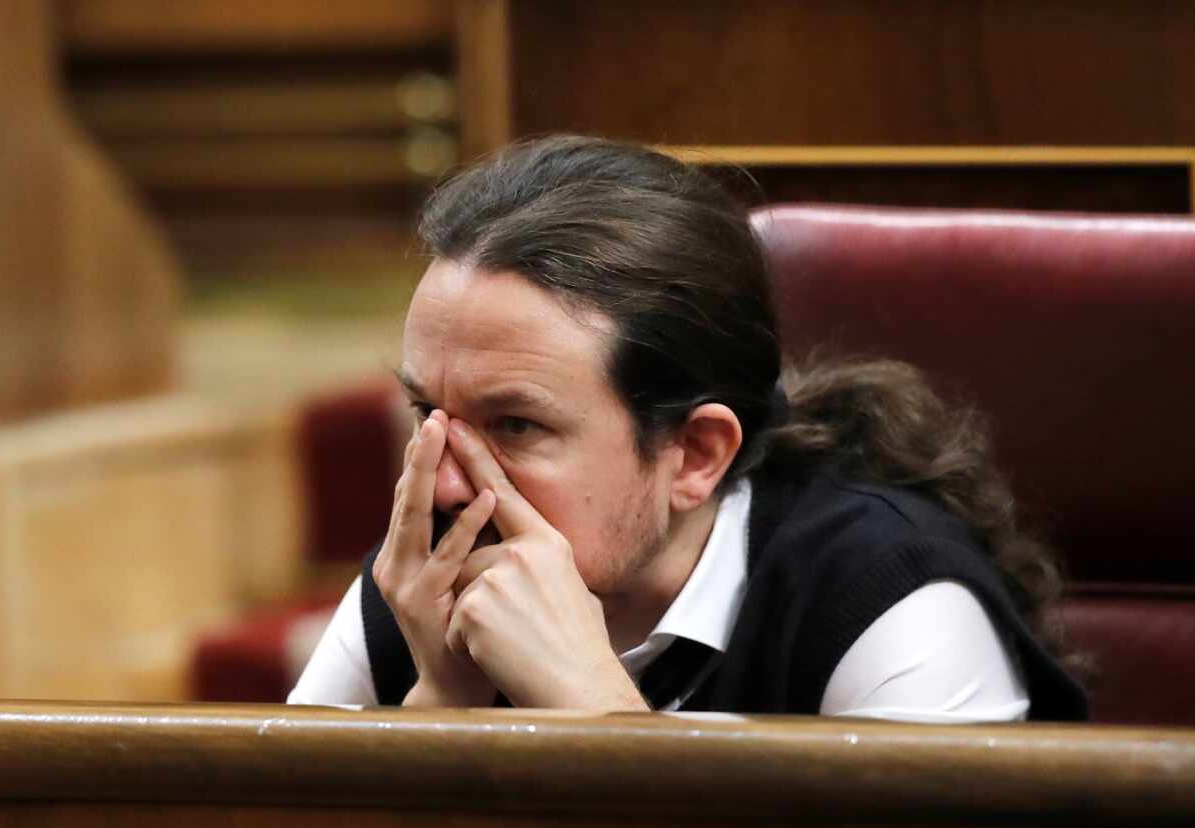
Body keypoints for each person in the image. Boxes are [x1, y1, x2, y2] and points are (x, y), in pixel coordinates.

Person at [289, 135, 1088, 720]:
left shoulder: (887, 601)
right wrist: (441, 702)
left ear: (696, 455)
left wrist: (593, 706)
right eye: (429, 414)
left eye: (516, 425)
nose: (450, 481)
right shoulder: (423, 581)